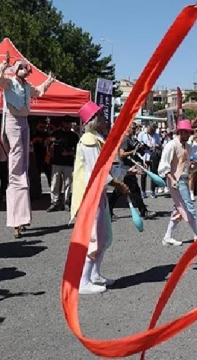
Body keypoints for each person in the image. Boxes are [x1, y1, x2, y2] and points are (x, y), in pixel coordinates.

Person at [0, 54, 56, 238]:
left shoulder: (27, 86)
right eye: (22, 67)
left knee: (23, 168)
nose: (25, 70)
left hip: (24, 121)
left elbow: (40, 91)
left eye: (26, 68)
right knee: (17, 167)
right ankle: (16, 220)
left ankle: (23, 217)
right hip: (12, 120)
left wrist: (49, 81)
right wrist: (4, 64)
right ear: (15, 69)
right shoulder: (9, 83)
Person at [70, 101, 129, 295]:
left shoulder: (96, 139)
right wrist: (118, 184)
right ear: (93, 120)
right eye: (101, 116)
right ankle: (83, 280)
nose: (105, 119)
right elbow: (98, 171)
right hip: (90, 195)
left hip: (98, 193)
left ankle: (94, 275)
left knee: (104, 237)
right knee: (94, 237)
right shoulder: (88, 140)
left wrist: (127, 175)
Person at [158, 120, 197, 246]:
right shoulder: (171, 145)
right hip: (175, 180)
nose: (188, 135)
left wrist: (195, 164)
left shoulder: (187, 146)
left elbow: (188, 166)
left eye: (189, 132)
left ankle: (168, 236)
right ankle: (196, 234)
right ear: (180, 132)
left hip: (183, 179)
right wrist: (171, 179)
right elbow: (164, 165)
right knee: (188, 206)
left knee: (179, 209)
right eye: (187, 132)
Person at [108, 123, 150, 219]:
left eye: (136, 128)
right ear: (127, 128)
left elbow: (136, 153)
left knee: (119, 191)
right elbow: (122, 154)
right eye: (133, 128)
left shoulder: (132, 139)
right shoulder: (125, 139)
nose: (135, 130)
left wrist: (140, 157)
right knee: (134, 190)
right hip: (125, 168)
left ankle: (109, 210)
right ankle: (143, 211)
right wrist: (134, 151)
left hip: (129, 168)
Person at [46, 117, 79, 212]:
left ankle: (66, 201)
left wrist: (68, 153)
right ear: (63, 123)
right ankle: (54, 202)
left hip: (68, 162)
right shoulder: (56, 133)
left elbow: (78, 151)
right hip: (56, 161)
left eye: (70, 123)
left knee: (68, 183)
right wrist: (49, 141)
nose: (68, 125)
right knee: (55, 182)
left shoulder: (74, 136)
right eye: (66, 123)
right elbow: (47, 145)